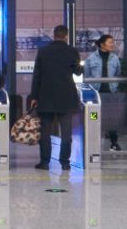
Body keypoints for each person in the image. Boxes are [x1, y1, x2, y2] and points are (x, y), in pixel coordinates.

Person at [30, 24, 81, 171]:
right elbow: (78, 72)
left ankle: (45, 162)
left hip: (46, 96)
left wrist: (34, 96)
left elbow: (37, 75)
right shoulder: (72, 51)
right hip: (66, 97)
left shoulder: (43, 51)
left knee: (45, 131)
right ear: (66, 36)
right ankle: (64, 162)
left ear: (54, 35)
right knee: (66, 133)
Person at [83, 34, 122, 151]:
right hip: (96, 95)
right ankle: (93, 143)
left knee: (112, 119)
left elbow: (118, 74)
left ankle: (114, 142)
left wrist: (115, 86)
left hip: (111, 95)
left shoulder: (115, 58)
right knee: (94, 117)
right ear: (102, 44)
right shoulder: (91, 58)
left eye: (112, 42)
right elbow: (86, 76)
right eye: (110, 42)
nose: (112, 44)